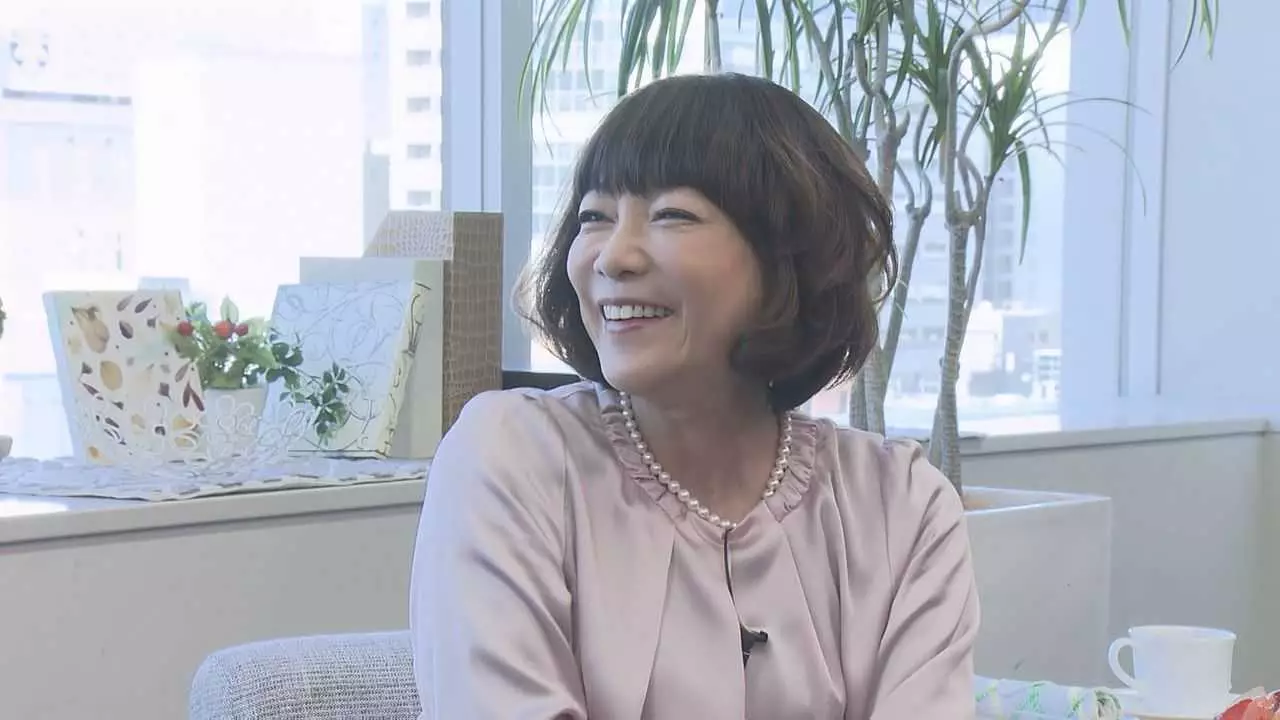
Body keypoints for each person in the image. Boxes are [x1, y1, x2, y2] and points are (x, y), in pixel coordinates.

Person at [410, 72, 979, 719]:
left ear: (789, 257)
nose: (613, 257)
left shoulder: (901, 504)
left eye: (671, 215)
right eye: (595, 217)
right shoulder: (509, 458)